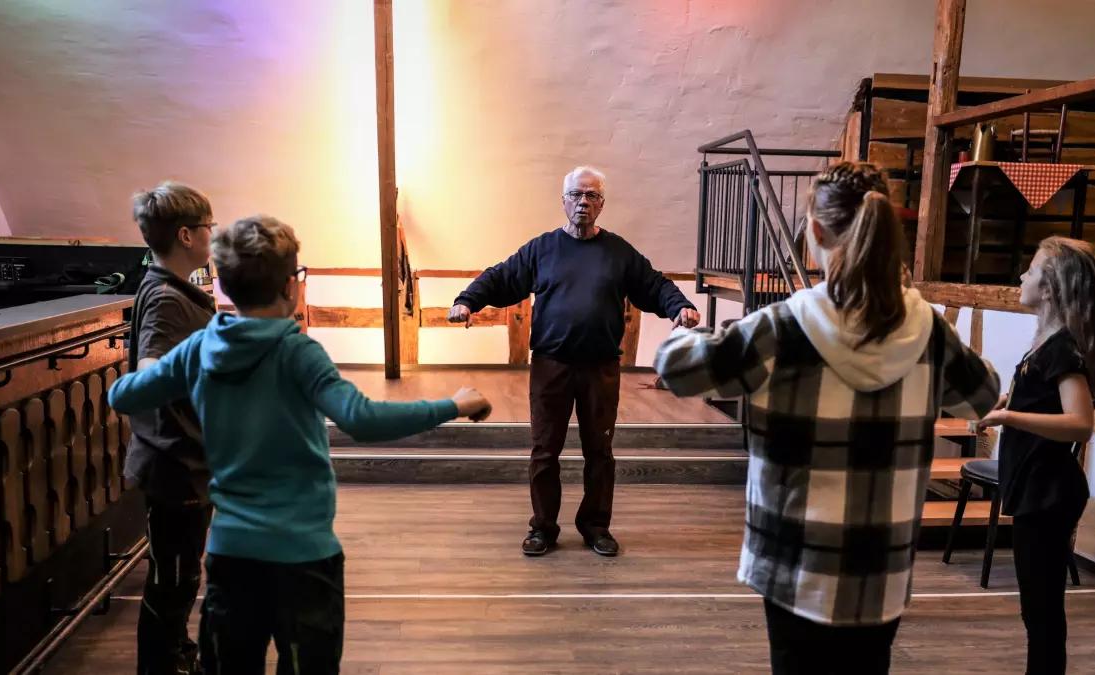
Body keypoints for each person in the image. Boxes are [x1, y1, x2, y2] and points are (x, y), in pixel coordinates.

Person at [655, 161, 1000, 675]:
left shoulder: (784, 326)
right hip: (881, 568)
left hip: (795, 566)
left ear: (815, 231)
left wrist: (701, 332)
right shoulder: (926, 327)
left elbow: (676, 368)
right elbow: (983, 396)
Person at [109, 215, 492, 675]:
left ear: (224, 286)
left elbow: (122, 395)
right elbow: (361, 418)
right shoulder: (298, 353)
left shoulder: (198, 349)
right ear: (291, 288)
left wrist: (162, 369)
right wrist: (452, 404)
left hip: (232, 555)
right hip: (303, 559)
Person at [448, 166, 700, 557]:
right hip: (552, 366)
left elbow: (654, 285)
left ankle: (596, 526)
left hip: (600, 368)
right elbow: (501, 277)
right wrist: (467, 300)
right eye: (576, 195)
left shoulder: (619, 252)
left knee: (599, 451)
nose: (583, 202)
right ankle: (542, 528)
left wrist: (679, 306)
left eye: (592, 196)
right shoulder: (542, 249)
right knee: (544, 450)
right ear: (563, 200)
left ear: (602, 204)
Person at [978, 237, 1095, 674]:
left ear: (1051, 288)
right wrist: (1010, 401)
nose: (1022, 276)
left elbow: (1079, 422)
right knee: (1036, 610)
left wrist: (1011, 416)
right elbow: (1043, 399)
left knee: (1041, 613)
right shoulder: (1046, 343)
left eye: (1031, 269)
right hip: (1035, 489)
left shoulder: (1063, 348)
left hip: (1049, 493)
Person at [125, 181, 216, 675]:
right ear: (185, 235)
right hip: (175, 461)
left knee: (179, 574)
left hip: (186, 457)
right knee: (173, 579)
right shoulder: (165, 298)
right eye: (208, 227)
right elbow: (148, 372)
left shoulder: (175, 290)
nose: (211, 235)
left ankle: (176, 654)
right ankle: (164, 665)